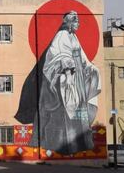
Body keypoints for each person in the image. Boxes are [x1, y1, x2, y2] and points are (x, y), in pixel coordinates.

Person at [15, 11, 101, 155]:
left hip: (76, 80)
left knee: (78, 111)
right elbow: (56, 56)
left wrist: (92, 68)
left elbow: (83, 58)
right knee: (64, 112)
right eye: (75, 21)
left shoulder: (74, 37)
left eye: (78, 21)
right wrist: (67, 70)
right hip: (62, 80)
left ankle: (80, 143)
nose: (78, 24)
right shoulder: (61, 36)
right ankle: (62, 144)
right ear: (68, 22)